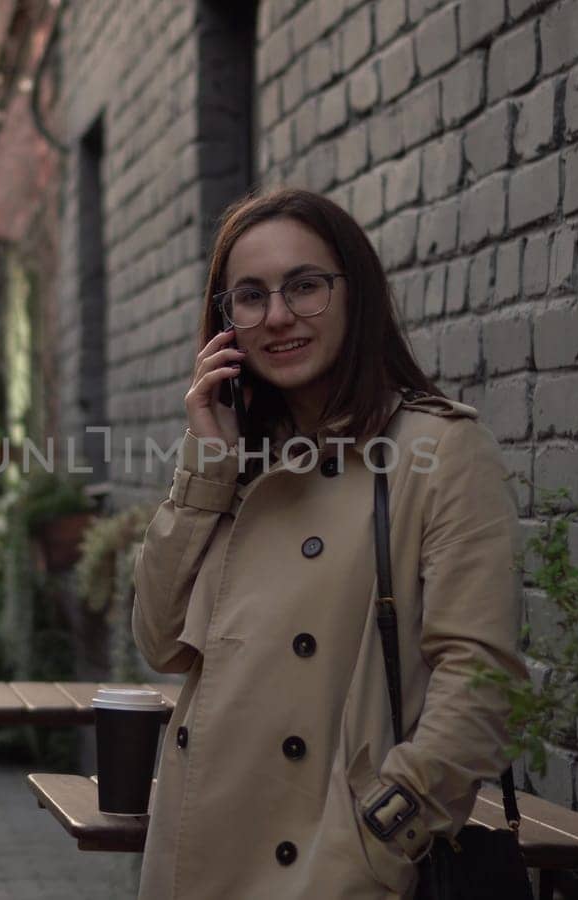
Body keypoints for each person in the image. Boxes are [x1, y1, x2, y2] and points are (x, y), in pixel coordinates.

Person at [131, 187, 529, 899]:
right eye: (249, 296)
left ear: (355, 292)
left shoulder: (438, 450)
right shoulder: (238, 462)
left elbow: (480, 677)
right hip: (199, 856)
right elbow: (159, 639)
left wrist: (380, 838)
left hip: (330, 867)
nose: (278, 316)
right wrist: (204, 465)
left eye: (305, 286)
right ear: (225, 326)